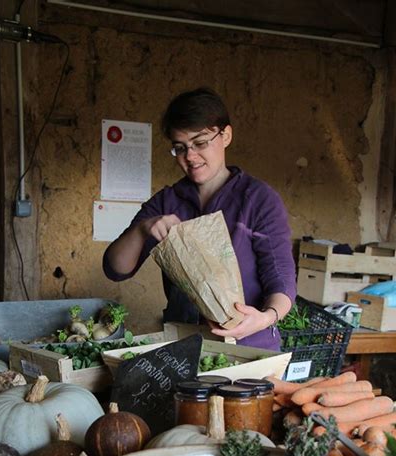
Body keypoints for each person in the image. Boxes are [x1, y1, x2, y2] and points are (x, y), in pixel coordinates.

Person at [102, 87, 296, 350]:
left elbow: (281, 278)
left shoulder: (258, 199)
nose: (190, 157)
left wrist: (266, 317)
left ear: (225, 135)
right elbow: (115, 269)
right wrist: (142, 229)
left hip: (249, 347)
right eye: (179, 148)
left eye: (200, 143)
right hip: (183, 346)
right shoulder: (167, 201)